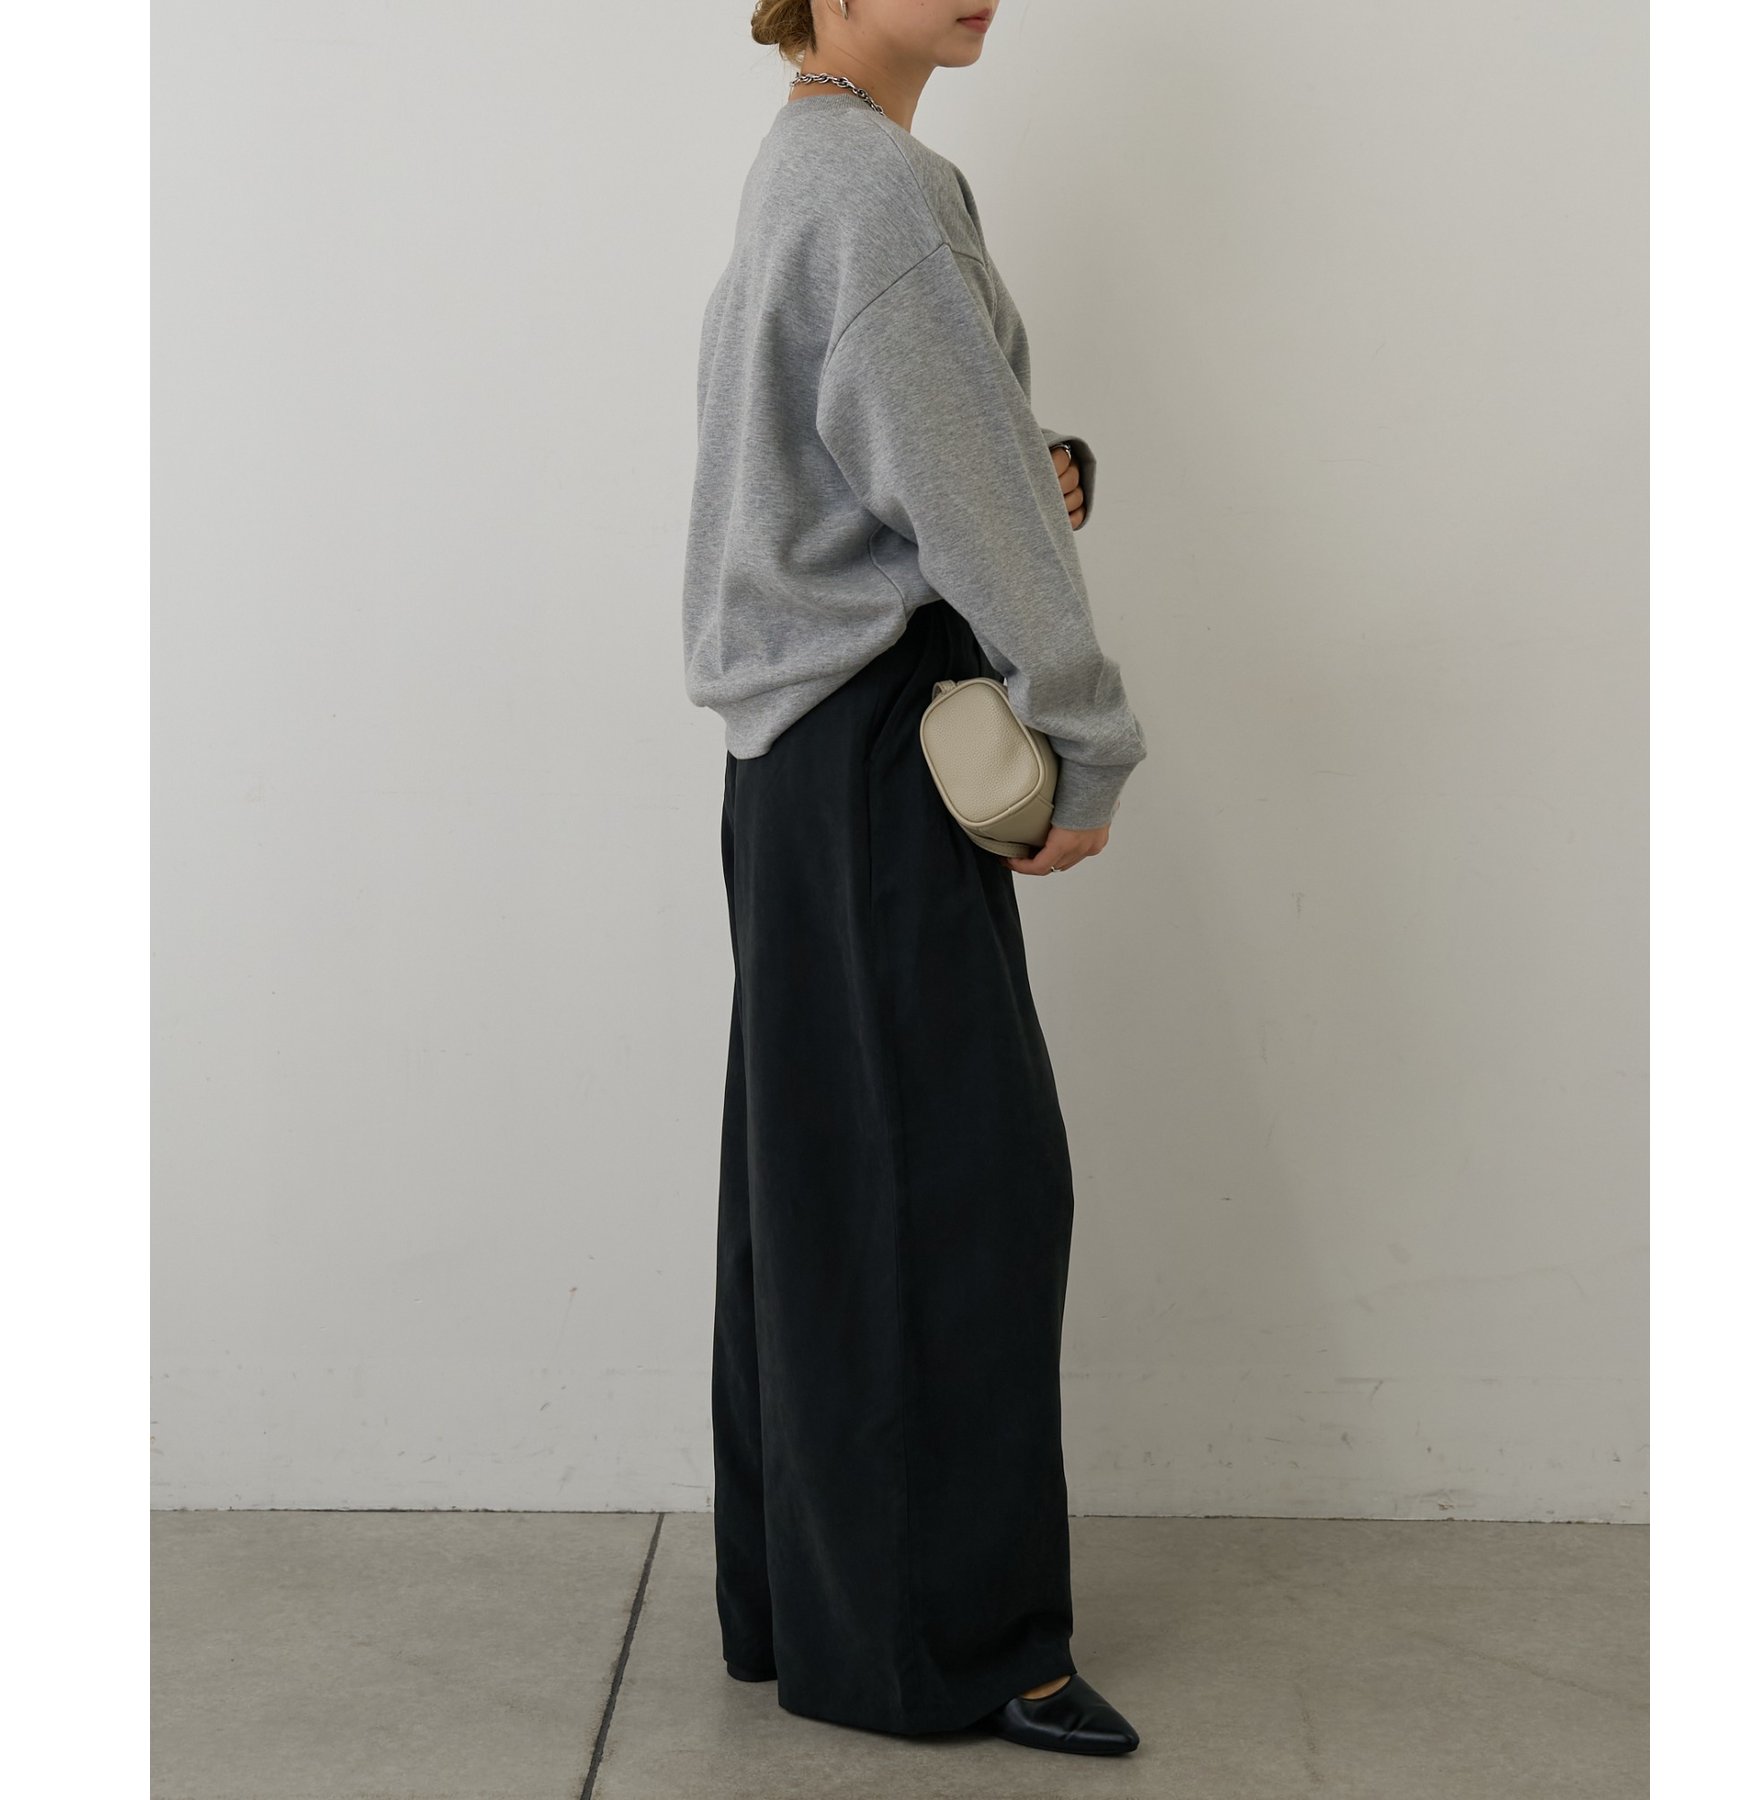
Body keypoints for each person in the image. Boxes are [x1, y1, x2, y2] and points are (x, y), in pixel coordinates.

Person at [680, 0, 1149, 1759]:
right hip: (883, 746)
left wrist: (1029, 467)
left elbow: (885, 459)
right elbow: (962, 501)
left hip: (795, 762)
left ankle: (801, 1606)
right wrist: (1082, 734)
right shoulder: (874, 189)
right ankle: (958, 1648)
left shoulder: (807, 165)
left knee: (819, 1185)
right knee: (960, 1193)